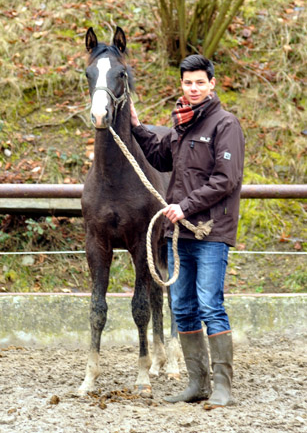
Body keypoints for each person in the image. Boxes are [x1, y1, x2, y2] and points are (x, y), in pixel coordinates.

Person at [130, 54, 245, 409]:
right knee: (183, 307)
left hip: (211, 231)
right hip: (178, 235)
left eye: (199, 82)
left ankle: (222, 386)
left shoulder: (226, 125)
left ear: (212, 84)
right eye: (187, 82)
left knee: (211, 305)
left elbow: (226, 179)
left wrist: (185, 207)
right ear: (181, 84)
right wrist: (136, 127)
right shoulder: (181, 127)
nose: (193, 88)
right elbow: (160, 158)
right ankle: (198, 383)